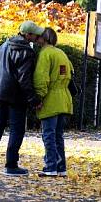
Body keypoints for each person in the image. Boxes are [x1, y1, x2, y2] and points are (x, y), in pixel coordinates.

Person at [0, 21, 44, 176]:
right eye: (35, 34)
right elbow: (24, 79)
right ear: (28, 35)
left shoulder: (3, 46)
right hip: (16, 97)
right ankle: (11, 165)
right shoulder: (27, 52)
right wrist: (34, 100)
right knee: (17, 130)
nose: (38, 37)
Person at [33, 27, 73, 177]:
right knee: (58, 136)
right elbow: (69, 74)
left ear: (43, 39)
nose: (36, 40)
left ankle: (50, 167)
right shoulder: (61, 53)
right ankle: (61, 167)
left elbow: (41, 79)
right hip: (64, 99)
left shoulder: (45, 54)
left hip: (51, 100)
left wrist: (38, 98)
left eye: (38, 37)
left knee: (48, 135)